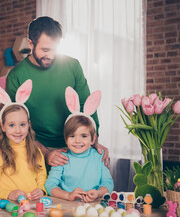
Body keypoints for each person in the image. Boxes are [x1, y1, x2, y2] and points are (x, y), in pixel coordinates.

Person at [6, 16, 109, 168]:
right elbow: (14, 124)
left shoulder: (72, 66)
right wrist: (46, 153)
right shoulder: (16, 76)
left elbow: (87, 106)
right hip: (35, 149)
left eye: (55, 49)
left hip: (74, 146)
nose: (51, 56)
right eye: (45, 50)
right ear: (30, 43)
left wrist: (95, 141)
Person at [45, 88, 113, 202]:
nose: (77, 141)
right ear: (66, 139)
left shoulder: (99, 157)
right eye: (72, 136)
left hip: (93, 206)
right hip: (66, 207)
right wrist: (68, 195)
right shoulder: (62, 158)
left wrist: (98, 193)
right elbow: (50, 185)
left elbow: (108, 183)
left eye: (84, 136)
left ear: (93, 139)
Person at [0, 80, 47, 201]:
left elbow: (41, 177)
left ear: (28, 125)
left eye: (22, 125)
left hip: (34, 206)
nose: (18, 131)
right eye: (11, 125)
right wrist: (8, 194)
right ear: (3, 126)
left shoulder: (36, 151)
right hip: (9, 206)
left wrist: (41, 190)